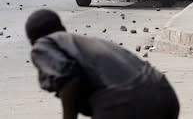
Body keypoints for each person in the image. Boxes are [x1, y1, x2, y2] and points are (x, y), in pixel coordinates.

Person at [26, 9, 180, 119]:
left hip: (126, 102)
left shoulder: (44, 43)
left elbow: (69, 78)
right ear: (63, 28)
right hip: (164, 94)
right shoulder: (88, 44)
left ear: (33, 41)